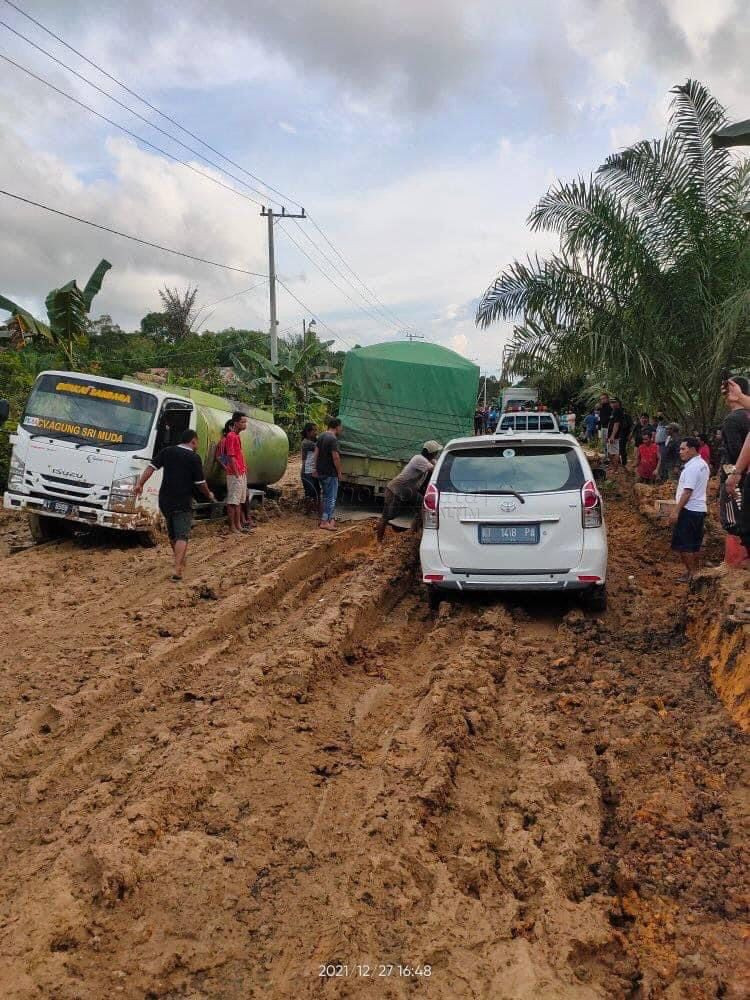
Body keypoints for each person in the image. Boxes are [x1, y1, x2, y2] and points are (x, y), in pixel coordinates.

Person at [133, 428, 215, 581]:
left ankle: (180, 560)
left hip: (165, 499)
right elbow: (200, 483)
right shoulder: (194, 458)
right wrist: (208, 494)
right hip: (183, 500)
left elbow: (151, 468)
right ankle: (177, 569)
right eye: (197, 442)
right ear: (193, 441)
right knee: (182, 535)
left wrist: (140, 484)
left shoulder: (167, 451)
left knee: (172, 534)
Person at [376, 441, 442, 543]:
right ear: (431, 453)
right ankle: (378, 541)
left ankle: (411, 535)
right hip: (395, 489)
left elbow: (437, 464)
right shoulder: (419, 459)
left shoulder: (428, 460)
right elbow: (436, 469)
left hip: (406, 490)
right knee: (387, 516)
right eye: (436, 452)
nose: (437, 454)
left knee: (422, 508)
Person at [669, 437, 710, 581]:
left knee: (684, 546)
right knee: (693, 544)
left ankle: (692, 574)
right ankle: (693, 573)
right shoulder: (702, 464)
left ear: (692, 449)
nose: (680, 452)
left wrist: (676, 511)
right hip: (698, 509)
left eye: (683, 449)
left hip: (689, 510)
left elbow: (687, 492)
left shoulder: (692, 467)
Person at [314, 417, 343, 530]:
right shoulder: (333, 439)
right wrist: (339, 472)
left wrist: (314, 469)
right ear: (337, 426)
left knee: (325, 496)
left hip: (321, 472)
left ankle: (327, 519)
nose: (341, 429)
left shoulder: (321, 436)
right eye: (341, 427)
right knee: (331, 497)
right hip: (330, 472)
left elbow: (316, 453)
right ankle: (325, 522)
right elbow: (335, 457)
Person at [224, 411, 251, 534]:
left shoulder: (237, 436)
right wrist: (236, 473)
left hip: (240, 472)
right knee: (232, 501)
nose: (245, 424)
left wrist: (243, 469)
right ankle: (233, 527)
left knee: (239, 500)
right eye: (242, 422)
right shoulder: (230, 436)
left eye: (245, 421)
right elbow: (231, 456)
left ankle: (238, 525)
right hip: (235, 474)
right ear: (235, 423)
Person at [300, 421, 321, 517]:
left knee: (316, 491)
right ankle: (308, 511)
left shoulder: (313, 441)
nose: (316, 432)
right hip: (307, 471)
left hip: (313, 471)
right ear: (308, 432)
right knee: (310, 492)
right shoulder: (306, 443)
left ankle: (314, 510)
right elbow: (319, 447)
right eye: (314, 430)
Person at [606, 398, 623, 471]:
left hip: (615, 436)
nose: (612, 404)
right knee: (610, 452)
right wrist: (608, 436)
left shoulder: (618, 411)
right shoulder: (614, 411)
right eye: (611, 402)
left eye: (614, 402)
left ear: (618, 403)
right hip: (611, 435)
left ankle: (615, 469)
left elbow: (616, 424)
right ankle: (614, 468)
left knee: (614, 452)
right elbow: (611, 424)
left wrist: (612, 436)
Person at [599, 393, 612, 460]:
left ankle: (609, 459)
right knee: (603, 444)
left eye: (604, 398)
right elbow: (600, 419)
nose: (602, 400)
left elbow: (612, 418)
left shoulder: (610, 407)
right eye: (601, 399)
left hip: (608, 428)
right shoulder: (601, 408)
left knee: (608, 444)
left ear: (607, 399)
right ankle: (605, 457)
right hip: (603, 427)